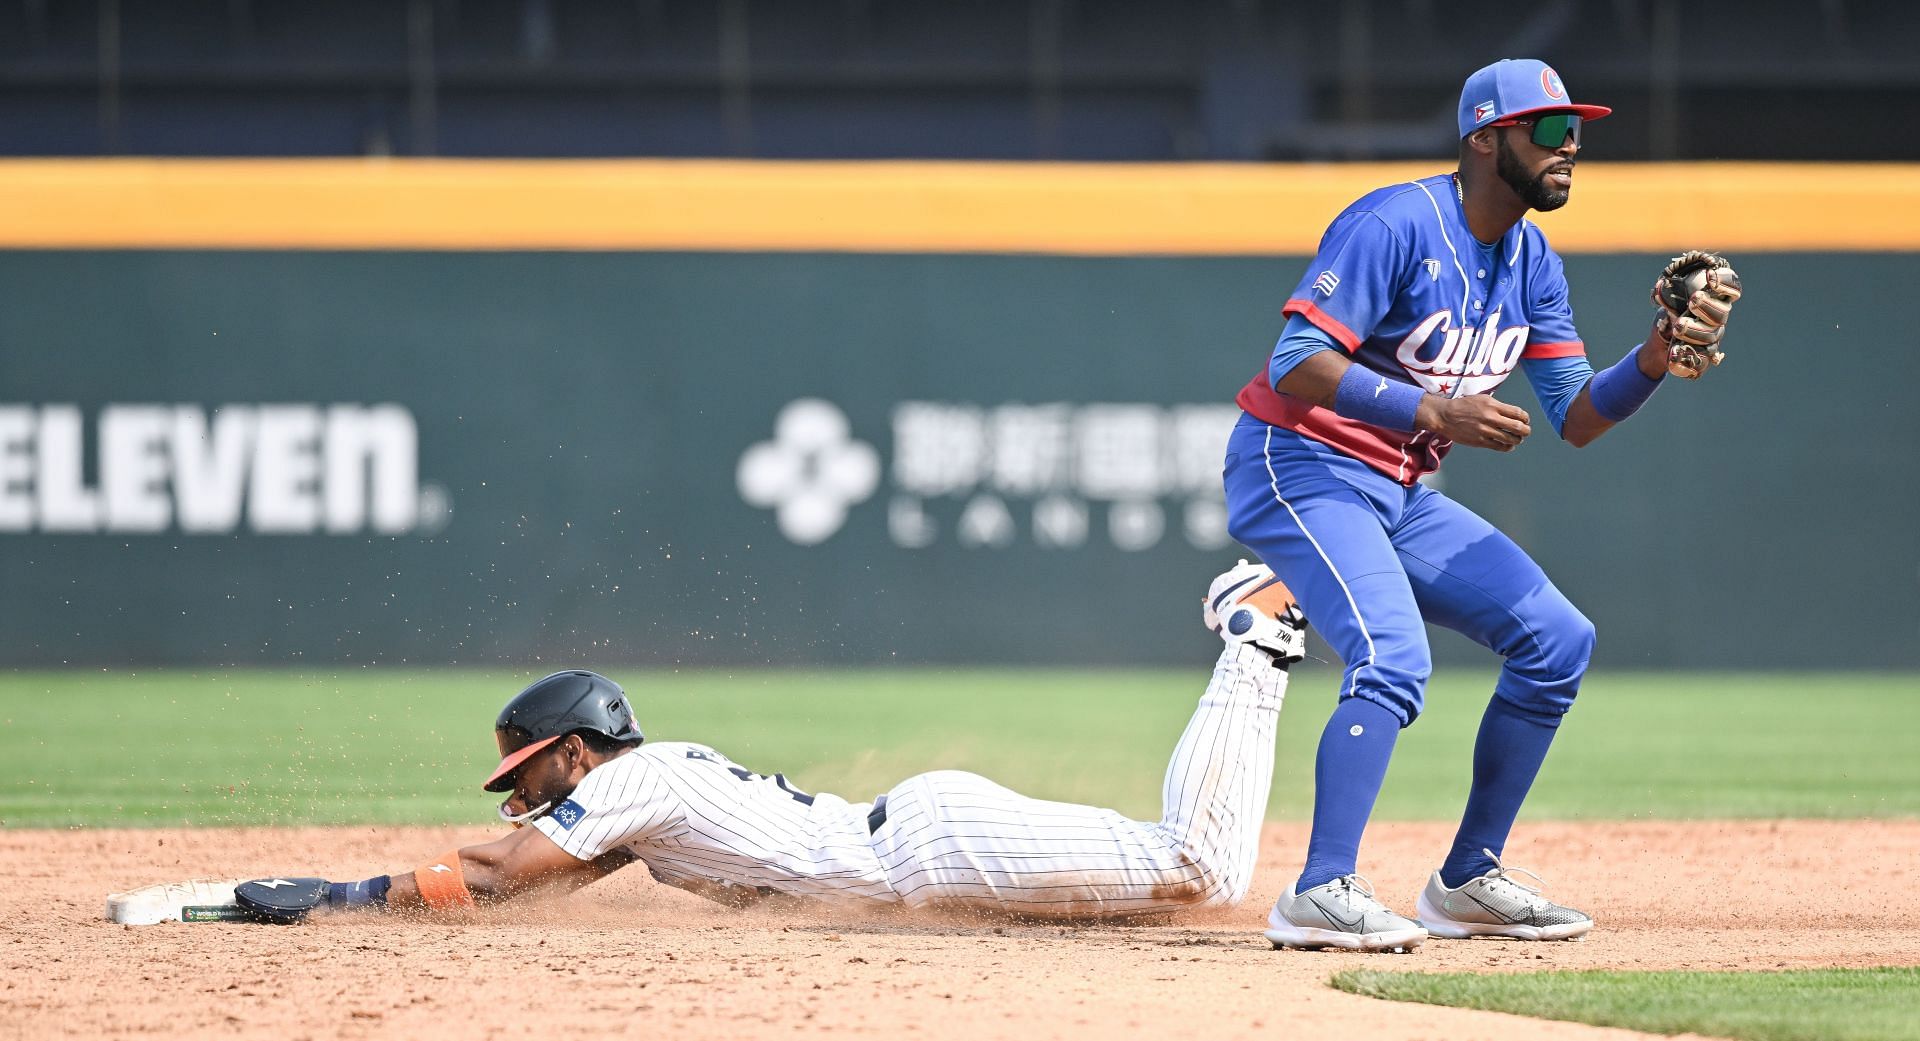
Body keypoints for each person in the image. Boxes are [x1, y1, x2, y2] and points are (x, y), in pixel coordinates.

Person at [1223, 58, 1740, 951]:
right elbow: (1295, 362)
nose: (1568, 145)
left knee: (1557, 640)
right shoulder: (1393, 222)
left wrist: (1655, 354)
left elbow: (1576, 415)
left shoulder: (1532, 257)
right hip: (1298, 461)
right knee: (1393, 655)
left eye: (1574, 129)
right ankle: (1318, 888)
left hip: (1397, 487)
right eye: (1547, 129)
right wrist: (1430, 409)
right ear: (1484, 136)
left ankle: (1466, 877)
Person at [235, 562, 1307, 924]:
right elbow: (538, 876)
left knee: (1198, 865)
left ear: (576, 748)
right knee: (1144, 911)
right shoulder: (641, 812)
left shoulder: (636, 779)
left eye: (528, 769)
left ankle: (1250, 635)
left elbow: (504, 867)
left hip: (926, 849)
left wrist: (349, 897)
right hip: (923, 857)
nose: (518, 794)